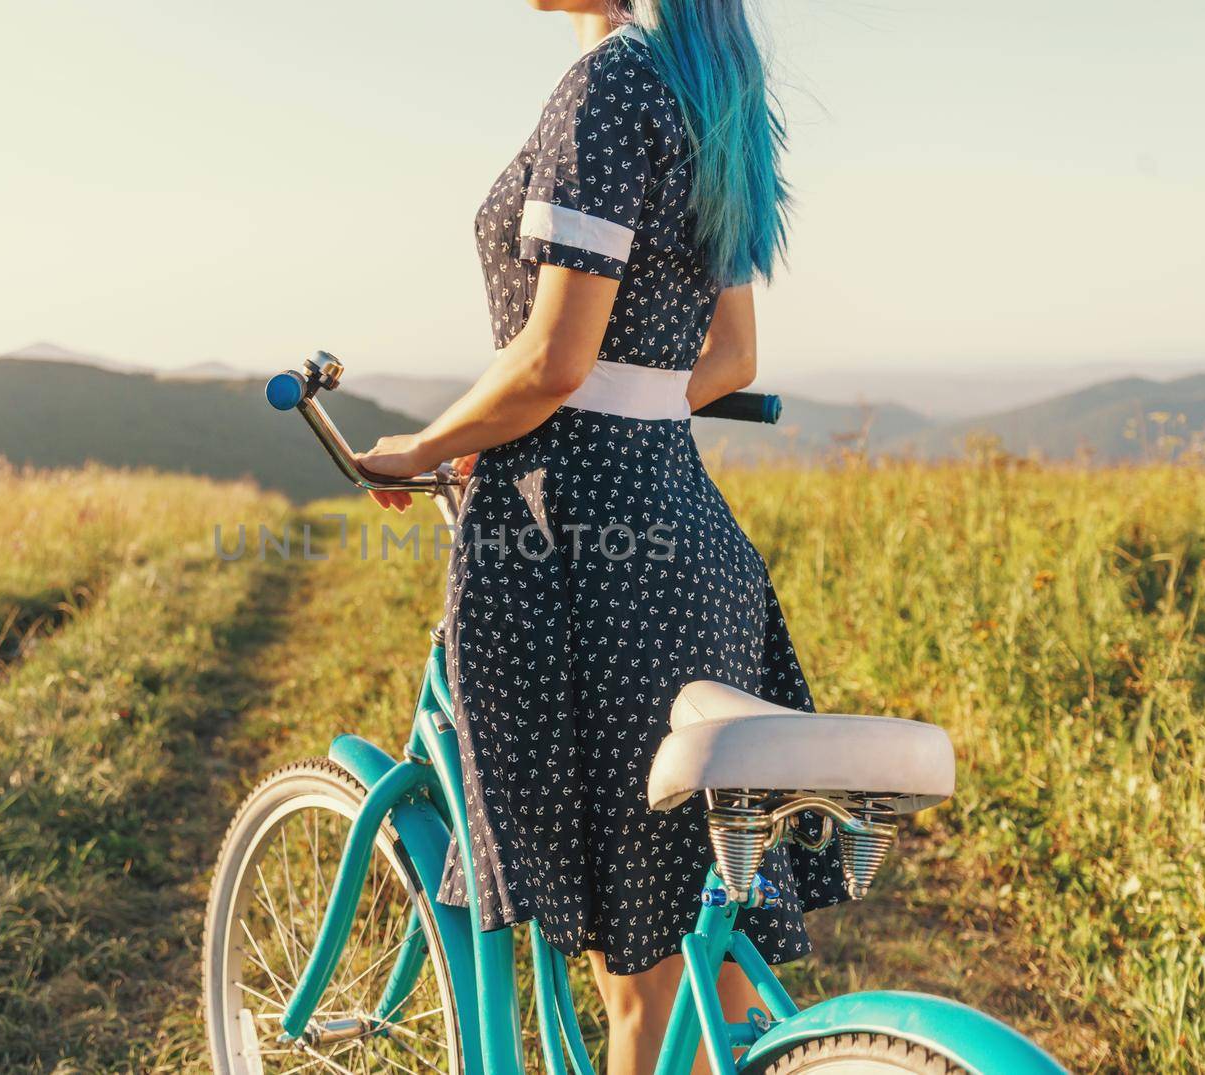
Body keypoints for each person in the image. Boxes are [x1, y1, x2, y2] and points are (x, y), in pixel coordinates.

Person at [356, 2, 849, 1071]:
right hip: (693, 547)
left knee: (645, 991)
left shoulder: (605, 90)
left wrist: (424, 443)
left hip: (586, 546)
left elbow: (552, 361)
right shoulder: (708, 86)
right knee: (708, 976)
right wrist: (567, 412)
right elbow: (729, 356)